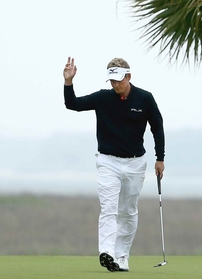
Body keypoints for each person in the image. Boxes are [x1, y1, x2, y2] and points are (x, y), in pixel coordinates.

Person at [63, 56, 165, 273]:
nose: (115, 85)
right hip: (108, 161)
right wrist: (68, 82)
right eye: (112, 81)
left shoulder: (145, 99)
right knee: (109, 208)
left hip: (136, 163)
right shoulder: (103, 98)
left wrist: (160, 158)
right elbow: (73, 105)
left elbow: (157, 127)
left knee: (128, 211)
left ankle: (122, 255)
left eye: (119, 80)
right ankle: (107, 253)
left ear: (128, 76)